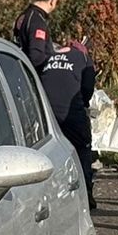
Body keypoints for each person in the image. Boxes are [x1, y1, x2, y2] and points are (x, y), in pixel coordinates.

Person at [39, 38, 98, 200]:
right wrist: (84, 103)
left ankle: (49, 193)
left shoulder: (48, 57)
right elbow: (87, 87)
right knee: (83, 148)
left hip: (46, 114)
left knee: (48, 152)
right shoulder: (84, 59)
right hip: (71, 113)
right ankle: (86, 194)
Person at [13, 0, 60, 74]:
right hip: (31, 77)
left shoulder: (26, 15)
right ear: (52, 1)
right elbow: (37, 57)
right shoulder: (37, 21)